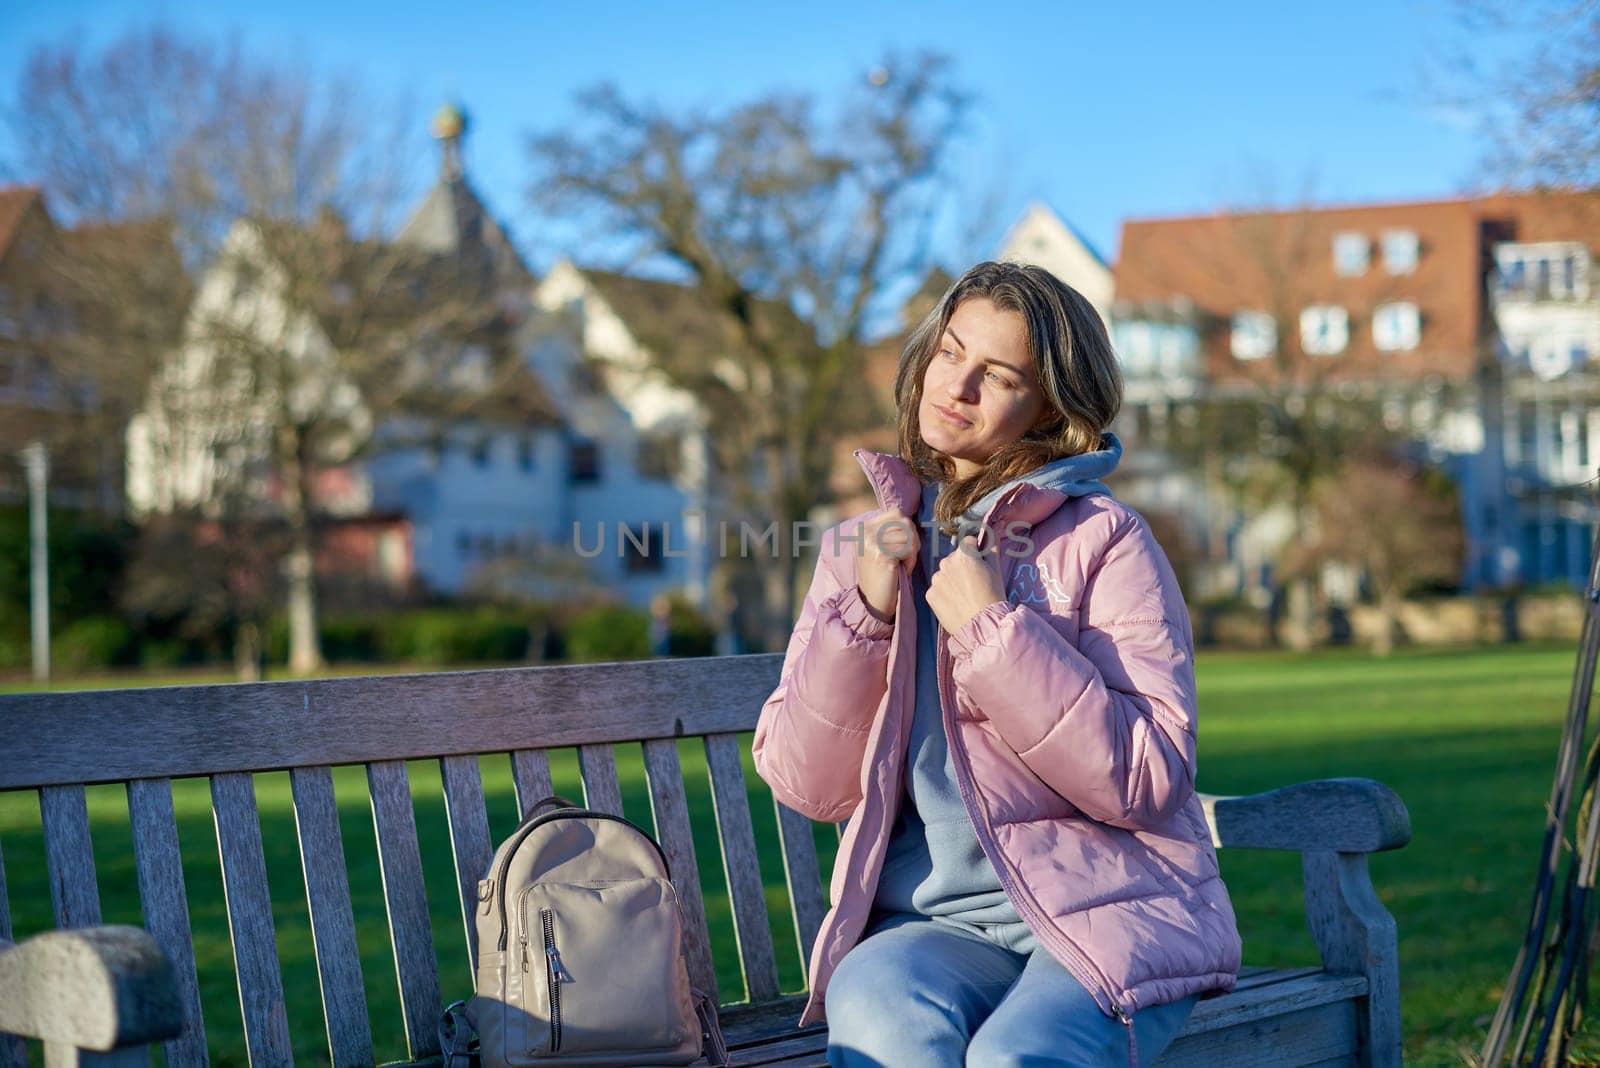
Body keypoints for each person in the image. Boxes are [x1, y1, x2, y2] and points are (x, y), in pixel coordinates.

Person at [751, 261, 1240, 1067]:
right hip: (928, 930)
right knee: (879, 1032)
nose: (958, 386)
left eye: (999, 375)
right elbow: (808, 784)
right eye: (949, 354)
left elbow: (1150, 778)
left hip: (1105, 918)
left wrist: (992, 631)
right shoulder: (857, 552)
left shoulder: (1106, 541)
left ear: (1049, 406)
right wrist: (865, 615)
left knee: (1014, 1060)